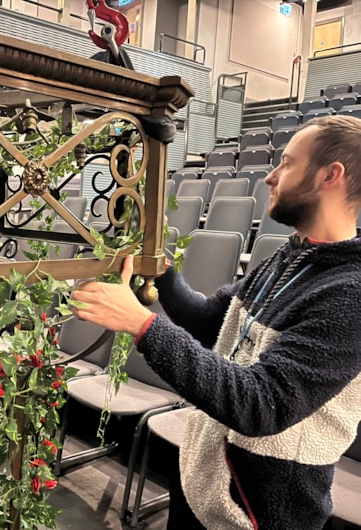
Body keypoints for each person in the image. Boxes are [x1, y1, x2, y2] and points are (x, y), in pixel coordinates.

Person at [71, 115, 361, 530]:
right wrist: (162, 270)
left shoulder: (350, 293)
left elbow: (263, 404)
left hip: (260, 510)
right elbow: (211, 323)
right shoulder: (289, 255)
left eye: (288, 163)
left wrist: (141, 325)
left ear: (330, 175)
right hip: (204, 483)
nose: (271, 177)